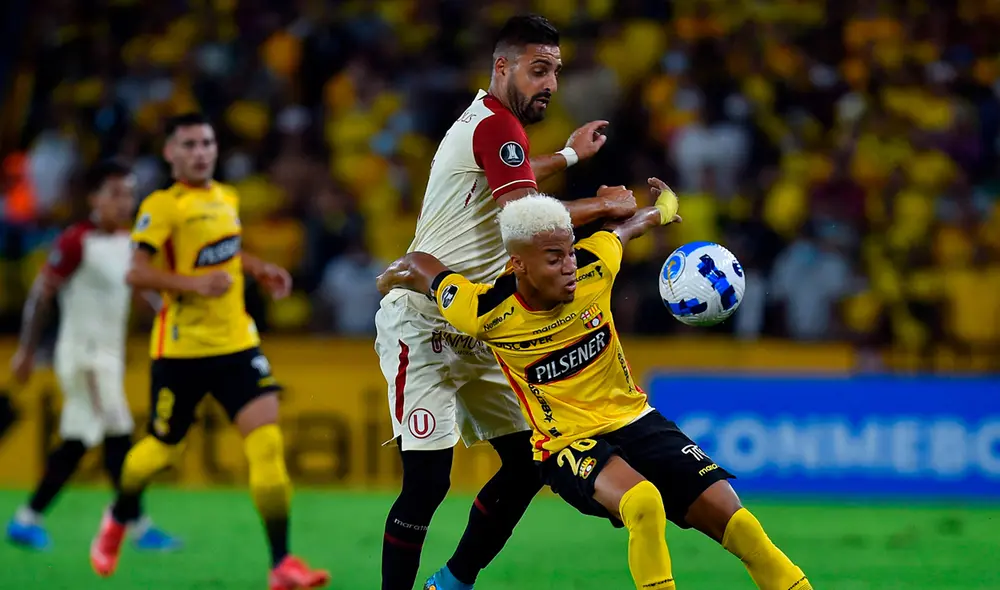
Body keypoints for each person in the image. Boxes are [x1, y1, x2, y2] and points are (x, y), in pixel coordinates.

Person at [377, 184, 814, 590]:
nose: (569, 267)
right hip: (567, 442)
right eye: (554, 259)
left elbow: (625, 229)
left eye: (569, 253)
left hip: (634, 418)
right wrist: (395, 271)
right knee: (643, 503)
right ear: (519, 265)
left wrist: (664, 209)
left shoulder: (594, 265)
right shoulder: (485, 312)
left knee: (736, 520)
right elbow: (426, 270)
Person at [373, 14, 637, 590]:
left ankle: (452, 582)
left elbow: (517, 177)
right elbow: (528, 221)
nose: (549, 84)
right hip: (422, 322)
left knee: (529, 462)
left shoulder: (495, 127)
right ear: (502, 66)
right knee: (427, 482)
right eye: (538, 70)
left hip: (477, 323)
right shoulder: (495, 127)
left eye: (555, 73)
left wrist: (568, 158)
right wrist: (602, 204)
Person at [88, 113, 330, 590]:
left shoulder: (227, 198)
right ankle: (117, 516)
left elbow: (224, 252)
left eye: (207, 143)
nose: (200, 152)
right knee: (160, 451)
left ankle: (281, 564)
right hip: (181, 351)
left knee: (267, 445)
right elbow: (137, 272)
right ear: (171, 154)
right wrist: (194, 285)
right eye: (190, 144)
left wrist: (258, 268)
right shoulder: (162, 206)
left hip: (237, 344)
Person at [5, 161, 178, 552]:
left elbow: (140, 293)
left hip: (108, 358)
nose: (124, 202)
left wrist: (171, 315)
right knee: (118, 435)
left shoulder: (127, 243)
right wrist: (27, 351)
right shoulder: (75, 241)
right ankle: (137, 526)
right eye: (115, 193)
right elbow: (40, 295)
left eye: (129, 194)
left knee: (78, 440)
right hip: (83, 357)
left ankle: (27, 518)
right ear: (94, 198)